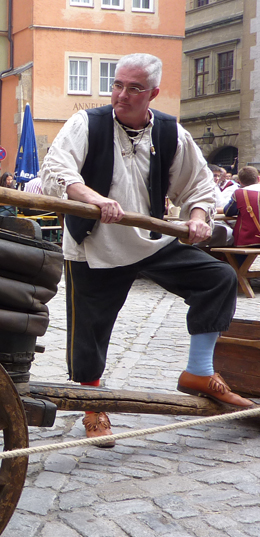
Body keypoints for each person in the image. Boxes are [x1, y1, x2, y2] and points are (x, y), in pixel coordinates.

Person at [41, 52, 251, 447]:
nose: (121, 94)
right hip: (94, 243)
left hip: (152, 242)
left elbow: (198, 186)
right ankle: (93, 405)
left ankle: (199, 372)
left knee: (219, 279)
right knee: (90, 330)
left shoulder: (171, 133)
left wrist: (200, 216)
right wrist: (92, 197)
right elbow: (57, 170)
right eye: (117, 84)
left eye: (134, 88)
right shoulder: (87, 123)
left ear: (153, 92)